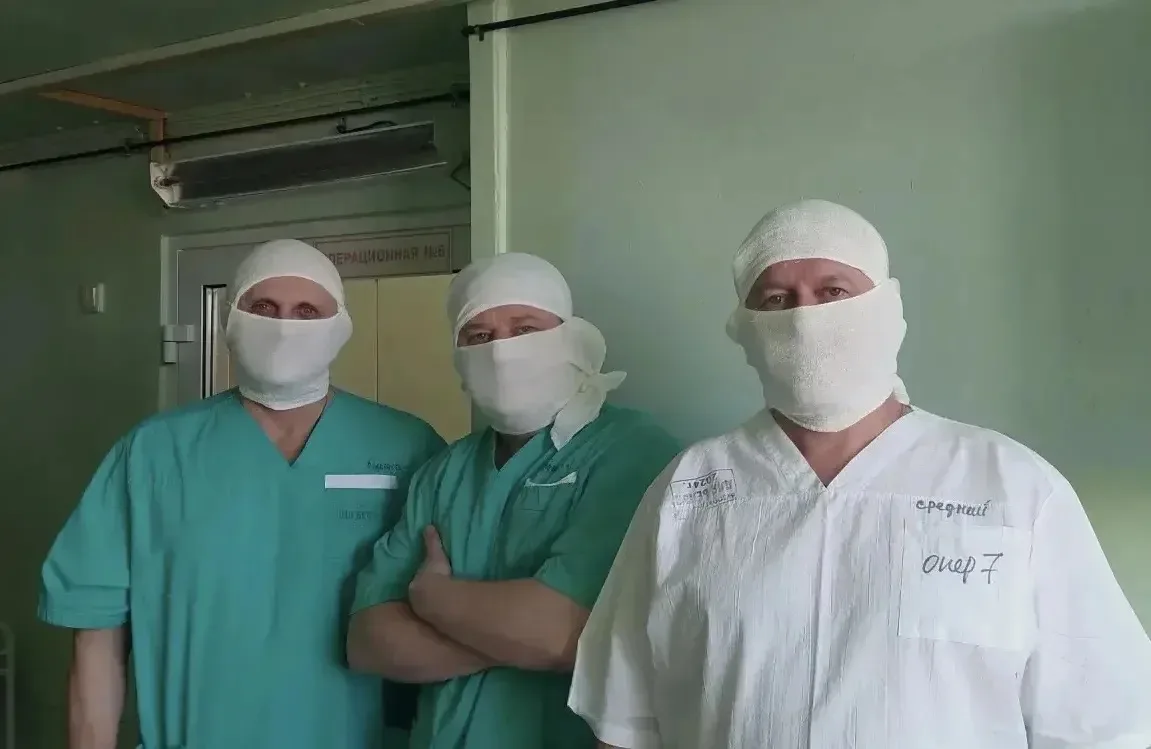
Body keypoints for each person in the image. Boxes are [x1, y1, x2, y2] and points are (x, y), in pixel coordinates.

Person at [568, 200, 1151, 749]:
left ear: (886, 309)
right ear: (743, 328)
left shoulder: (1013, 488)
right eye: (776, 299)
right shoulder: (687, 490)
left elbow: (1103, 720)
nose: (805, 319)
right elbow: (624, 718)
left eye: (834, 291)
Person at [40, 239, 445, 749]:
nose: (284, 326)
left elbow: (445, 617)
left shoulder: (408, 447)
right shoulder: (153, 453)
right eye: (264, 308)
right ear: (230, 319)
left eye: (307, 311)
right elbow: (96, 635)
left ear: (340, 325)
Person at [346, 253, 681, 749]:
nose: (501, 352)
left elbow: (559, 633)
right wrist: (512, 638)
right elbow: (368, 640)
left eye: (525, 329)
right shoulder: (445, 470)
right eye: (479, 336)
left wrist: (433, 599)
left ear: (570, 339)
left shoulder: (631, 451)